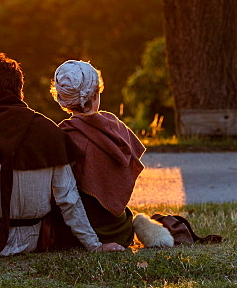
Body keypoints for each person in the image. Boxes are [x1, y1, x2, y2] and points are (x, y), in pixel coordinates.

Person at [0, 53, 125, 261]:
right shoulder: (50, 132)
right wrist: (94, 245)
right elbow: (68, 198)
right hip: (31, 241)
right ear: (19, 91)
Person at [51, 59, 174, 249]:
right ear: (95, 94)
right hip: (120, 231)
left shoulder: (63, 136)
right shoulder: (114, 126)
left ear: (62, 100)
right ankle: (140, 226)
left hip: (77, 236)